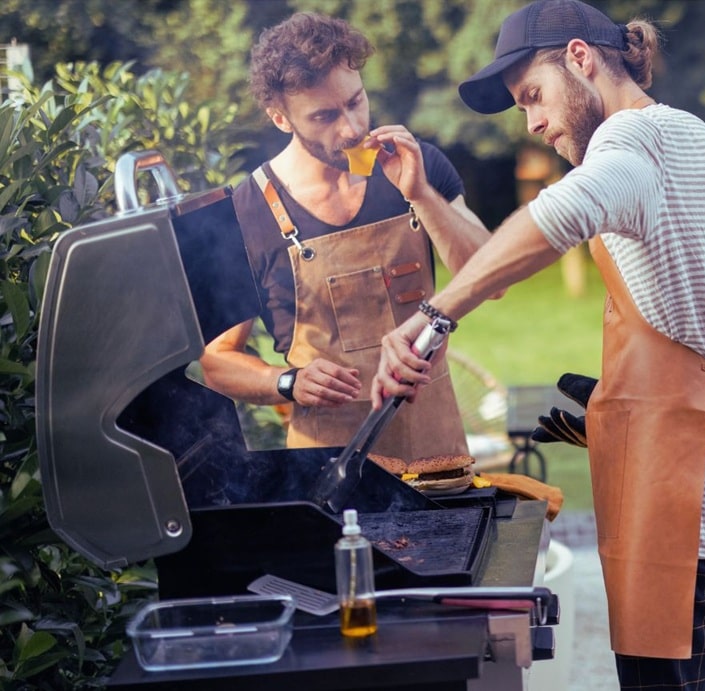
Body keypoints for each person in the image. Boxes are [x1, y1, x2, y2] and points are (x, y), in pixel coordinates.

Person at [374, 0, 705, 687]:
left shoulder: (627, 146)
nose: (535, 122)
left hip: (673, 501)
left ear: (581, 57)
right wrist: (661, 395)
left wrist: (436, 313)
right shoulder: (698, 141)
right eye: (522, 109)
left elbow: (563, 211)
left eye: (533, 96)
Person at [199, 12, 491, 462]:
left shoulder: (419, 165)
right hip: (327, 465)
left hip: (437, 454)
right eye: (324, 116)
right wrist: (287, 382)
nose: (352, 128)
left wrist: (421, 196)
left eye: (356, 102)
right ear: (280, 118)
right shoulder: (247, 212)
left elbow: (493, 280)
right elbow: (217, 360)